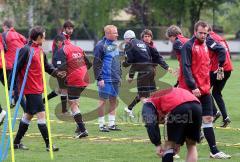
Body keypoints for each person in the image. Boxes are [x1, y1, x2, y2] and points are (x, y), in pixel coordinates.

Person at [180, 20, 231, 159]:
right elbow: (186, 68)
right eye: (201, 33)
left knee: (208, 118)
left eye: (205, 33)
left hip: (205, 89)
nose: (203, 35)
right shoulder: (188, 46)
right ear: (195, 32)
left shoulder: (208, 44)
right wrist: (193, 86)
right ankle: (171, 148)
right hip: (191, 90)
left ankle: (214, 152)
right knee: (187, 120)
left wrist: (219, 67)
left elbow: (217, 55)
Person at [13, 26, 65, 151]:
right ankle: (49, 145)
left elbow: (47, 66)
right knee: (41, 115)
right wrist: (13, 88)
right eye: (44, 36)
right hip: (30, 88)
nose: (45, 38)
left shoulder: (40, 51)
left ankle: (16, 142)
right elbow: (16, 68)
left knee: (28, 115)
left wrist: (57, 73)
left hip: (38, 86)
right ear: (39, 37)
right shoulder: (26, 50)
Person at [142, 87, 202, 162]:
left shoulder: (148, 103)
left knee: (169, 146)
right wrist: (178, 143)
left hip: (178, 107)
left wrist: (157, 143)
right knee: (191, 145)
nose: (161, 122)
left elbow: (150, 123)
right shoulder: (165, 94)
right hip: (197, 106)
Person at [123, 29, 172, 118]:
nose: (147, 38)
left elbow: (158, 58)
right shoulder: (142, 46)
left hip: (150, 71)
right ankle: (155, 112)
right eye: (145, 36)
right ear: (142, 38)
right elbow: (136, 62)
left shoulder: (151, 46)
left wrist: (166, 67)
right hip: (147, 70)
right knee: (145, 93)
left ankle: (152, 112)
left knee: (147, 93)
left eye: (149, 36)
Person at [54, 38, 89, 138]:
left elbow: (61, 68)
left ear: (61, 43)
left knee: (72, 103)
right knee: (75, 101)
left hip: (75, 79)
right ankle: (79, 125)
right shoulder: (78, 48)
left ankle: (83, 130)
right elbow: (88, 63)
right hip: (85, 77)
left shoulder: (62, 50)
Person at [93, 25, 121, 132]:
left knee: (113, 100)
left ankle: (112, 124)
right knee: (102, 101)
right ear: (108, 34)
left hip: (115, 79)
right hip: (105, 78)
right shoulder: (100, 45)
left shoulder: (115, 45)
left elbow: (116, 61)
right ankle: (101, 125)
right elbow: (96, 63)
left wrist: (119, 75)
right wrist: (99, 78)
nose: (117, 35)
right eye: (115, 33)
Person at [43, 20, 75, 114]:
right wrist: (59, 67)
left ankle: (43, 101)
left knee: (61, 89)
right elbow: (58, 53)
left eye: (72, 28)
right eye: (69, 28)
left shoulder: (66, 38)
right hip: (60, 66)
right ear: (64, 29)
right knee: (64, 88)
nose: (71, 30)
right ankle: (64, 110)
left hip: (65, 65)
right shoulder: (60, 37)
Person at [208, 27, 233, 127]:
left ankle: (215, 112)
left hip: (217, 69)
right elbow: (228, 53)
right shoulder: (220, 37)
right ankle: (225, 117)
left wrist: (220, 66)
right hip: (228, 69)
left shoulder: (209, 38)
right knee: (216, 93)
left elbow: (221, 51)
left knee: (203, 89)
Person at [0, 20, 27, 110]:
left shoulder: (4, 35)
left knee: (14, 88)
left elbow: (3, 48)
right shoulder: (19, 35)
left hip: (9, 66)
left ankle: (26, 110)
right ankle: (13, 99)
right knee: (15, 87)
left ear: (4, 26)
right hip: (20, 65)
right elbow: (26, 44)